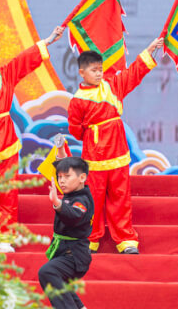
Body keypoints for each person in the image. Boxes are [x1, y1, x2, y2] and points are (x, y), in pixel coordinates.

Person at [0, 26, 65, 253]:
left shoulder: (4, 75)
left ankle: (2, 238)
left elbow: (24, 60)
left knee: (6, 191)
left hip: (7, 139)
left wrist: (47, 40)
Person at [67, 37, 163, 254]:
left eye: (100, 69)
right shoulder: (77, 100)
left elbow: (134, 73)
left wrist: (149, 50)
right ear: (82, 73)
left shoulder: (112, 86)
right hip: (94, 156)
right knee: (93, 199)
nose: (99, 73)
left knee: (120, 197)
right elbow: (75, 130)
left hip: (118, 152)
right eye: (93, 70)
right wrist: (94, 137)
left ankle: (126, 240)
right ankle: (90, 239)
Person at [38, 156, 97, 309]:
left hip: (75, 254)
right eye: (59, 177)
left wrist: (57, 203)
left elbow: (74, 216)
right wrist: (62, 152)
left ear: (82, 178)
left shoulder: (82, 200)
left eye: (66, 177)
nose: (61, 181)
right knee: (59, 278)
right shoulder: (73, 194)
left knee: (47, 272)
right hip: (67, 250)